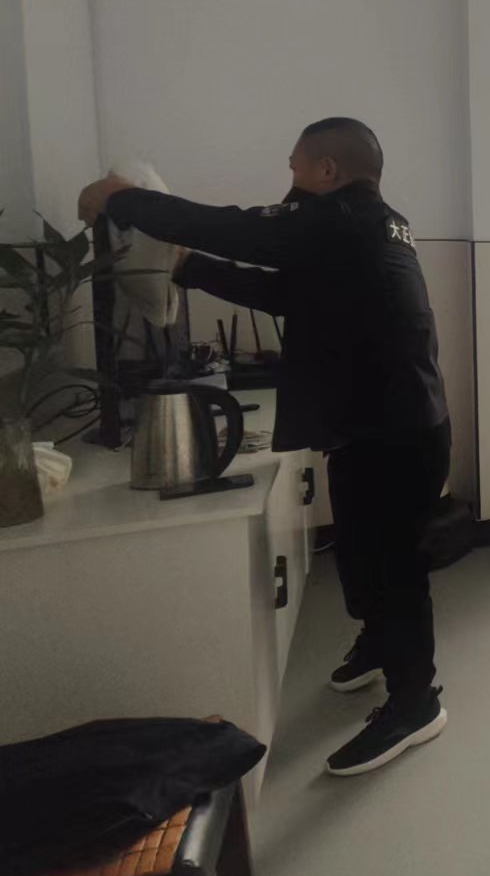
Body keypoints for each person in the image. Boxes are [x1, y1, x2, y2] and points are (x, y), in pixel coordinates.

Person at [78, 118, 452, 777]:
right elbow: (286, 294)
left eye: (296, 168)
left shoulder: (339, 220)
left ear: (328, 171)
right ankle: (379, 645)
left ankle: (417, 702)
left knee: (395, 571)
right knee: (361, 555)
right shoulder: (375, 224)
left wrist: (121, 198)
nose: (290, 182)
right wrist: (191, 269)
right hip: (385, 427)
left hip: (395, 436)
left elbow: (235, 228)